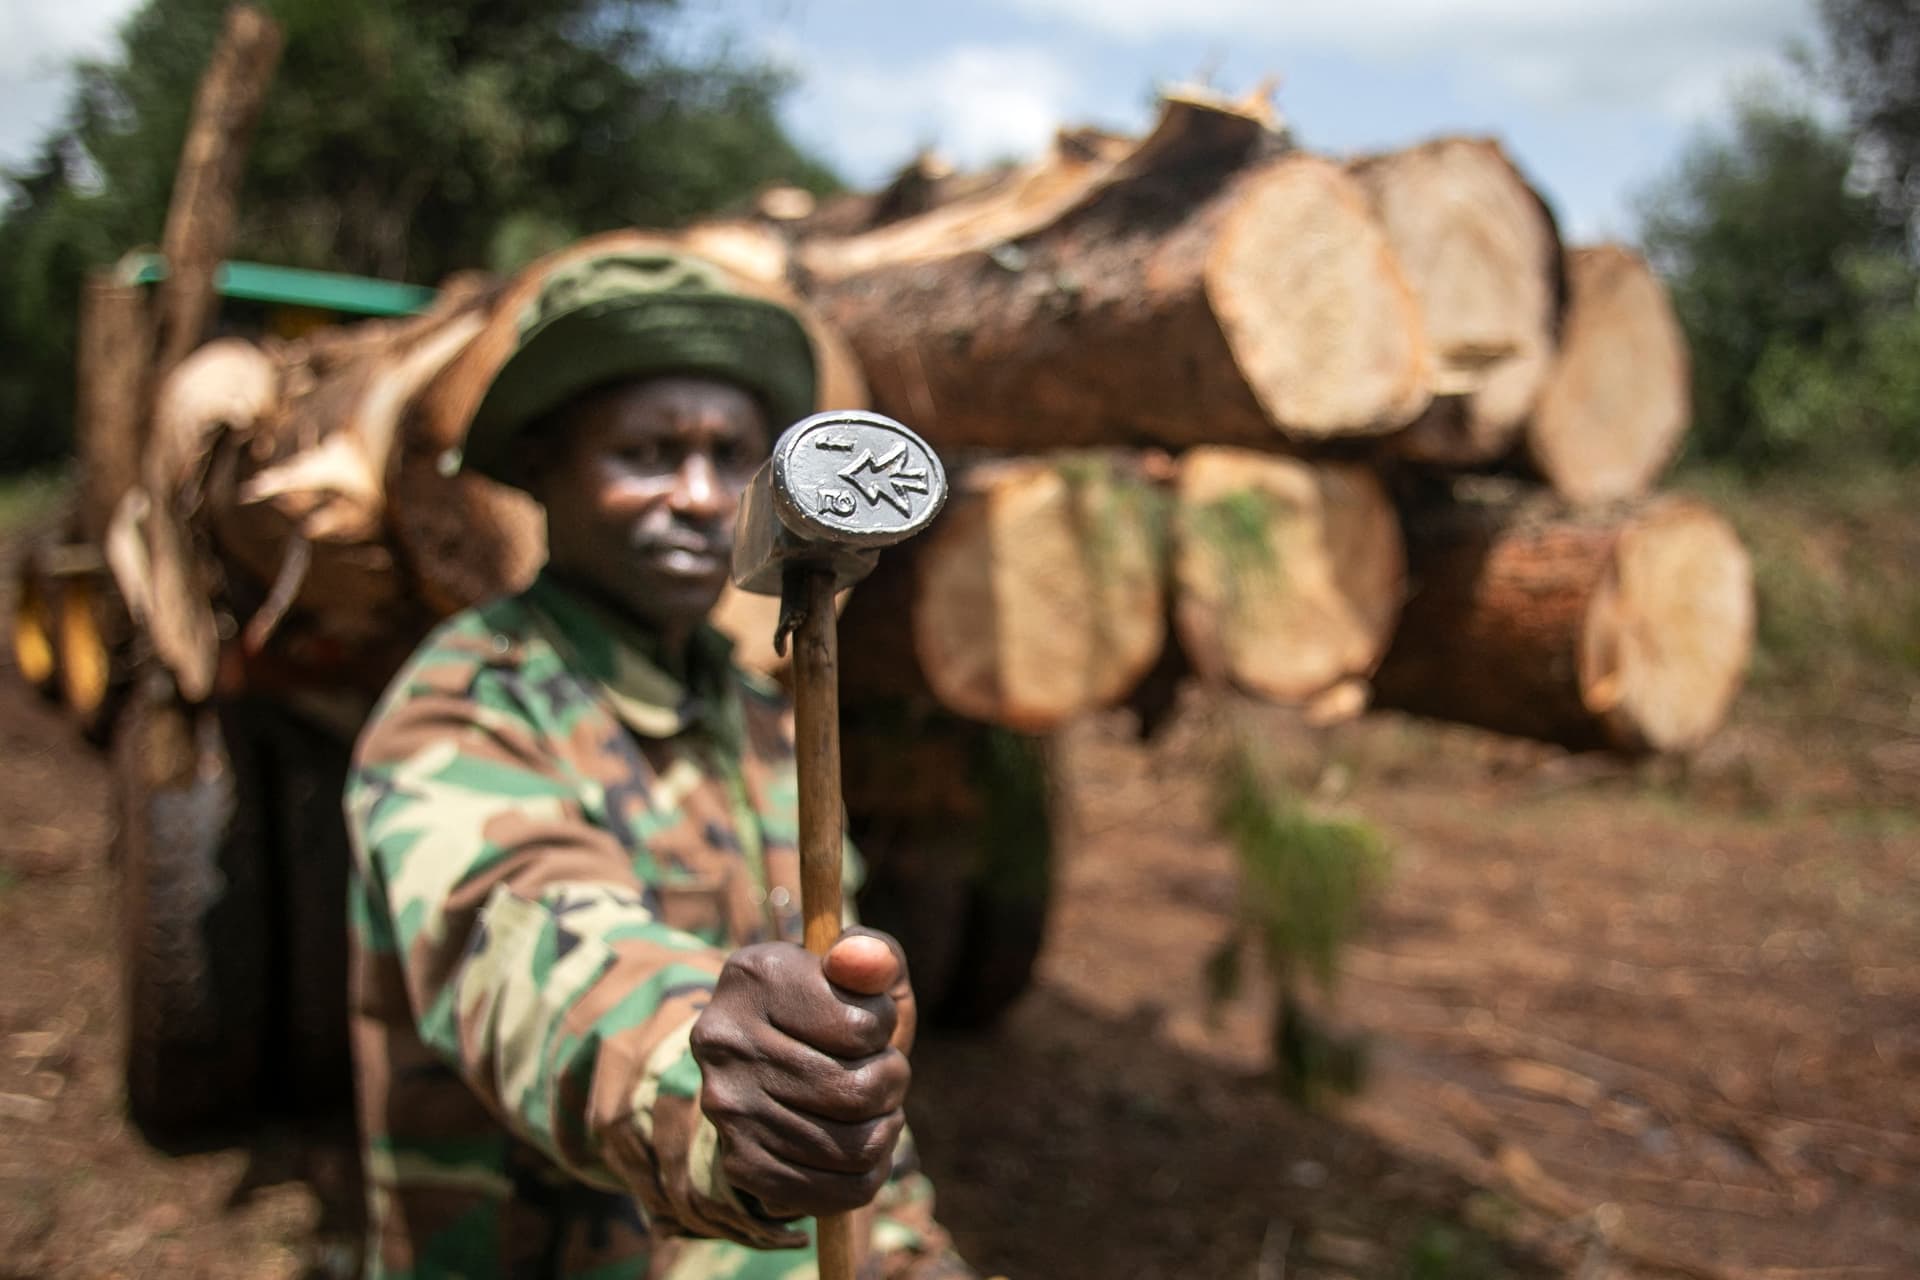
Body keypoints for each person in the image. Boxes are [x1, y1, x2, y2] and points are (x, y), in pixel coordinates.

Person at [344, 249, 974, 1279]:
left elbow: (840, 1052)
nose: (697, 495)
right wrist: (706, 1084)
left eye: (732, 457)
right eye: (644, 452)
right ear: (545, 469)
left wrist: (903, 1244)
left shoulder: (763, 716)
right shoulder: (464, 706)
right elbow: (531, 959)